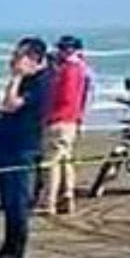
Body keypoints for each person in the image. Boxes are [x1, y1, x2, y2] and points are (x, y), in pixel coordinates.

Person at [0, 37, 53, 258]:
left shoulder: (41, 81)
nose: (13, 61)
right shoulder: (29, 80)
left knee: (18, 200)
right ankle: (7, 246)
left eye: (18, 56)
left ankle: (16, 251)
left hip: (23, 146)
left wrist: (17, 77)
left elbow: (12, 104)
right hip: (8, 144)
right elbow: (5, 104)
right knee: (8, 200)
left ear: (34, 59)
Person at [39, 35, 91, 215]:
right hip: (72, 119)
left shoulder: (68, 69)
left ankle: (49, 201)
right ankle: (67, 195)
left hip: (59, 119)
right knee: (65, 159)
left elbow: (62, 96)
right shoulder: (83, 69)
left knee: (51, 162)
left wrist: (47, 115)